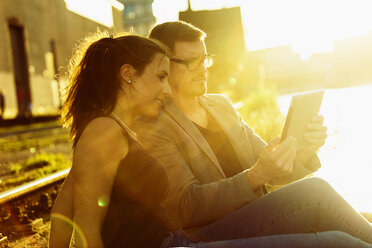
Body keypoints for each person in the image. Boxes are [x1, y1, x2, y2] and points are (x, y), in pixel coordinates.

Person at [48, 33, 372, 248]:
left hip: (176, 242)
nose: (165, 89)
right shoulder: (105, 131)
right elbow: (85, 229)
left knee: (332, 224)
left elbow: (60, 211)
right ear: (128, 75)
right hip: (178, 244)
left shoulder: (118, 127)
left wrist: (301, 149)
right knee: (334, 241)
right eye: (160, 77)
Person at [134, 21, 372, 244]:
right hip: (207, 234)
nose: (203, 69)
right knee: (317, 193)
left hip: (259, 215)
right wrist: (256, 176)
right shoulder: (154, 125)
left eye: (205, 58)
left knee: (350, 220)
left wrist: (303, 152)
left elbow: (269, 167)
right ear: (164, 64)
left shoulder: (222, 105)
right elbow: (185, 206)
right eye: (192, 61)